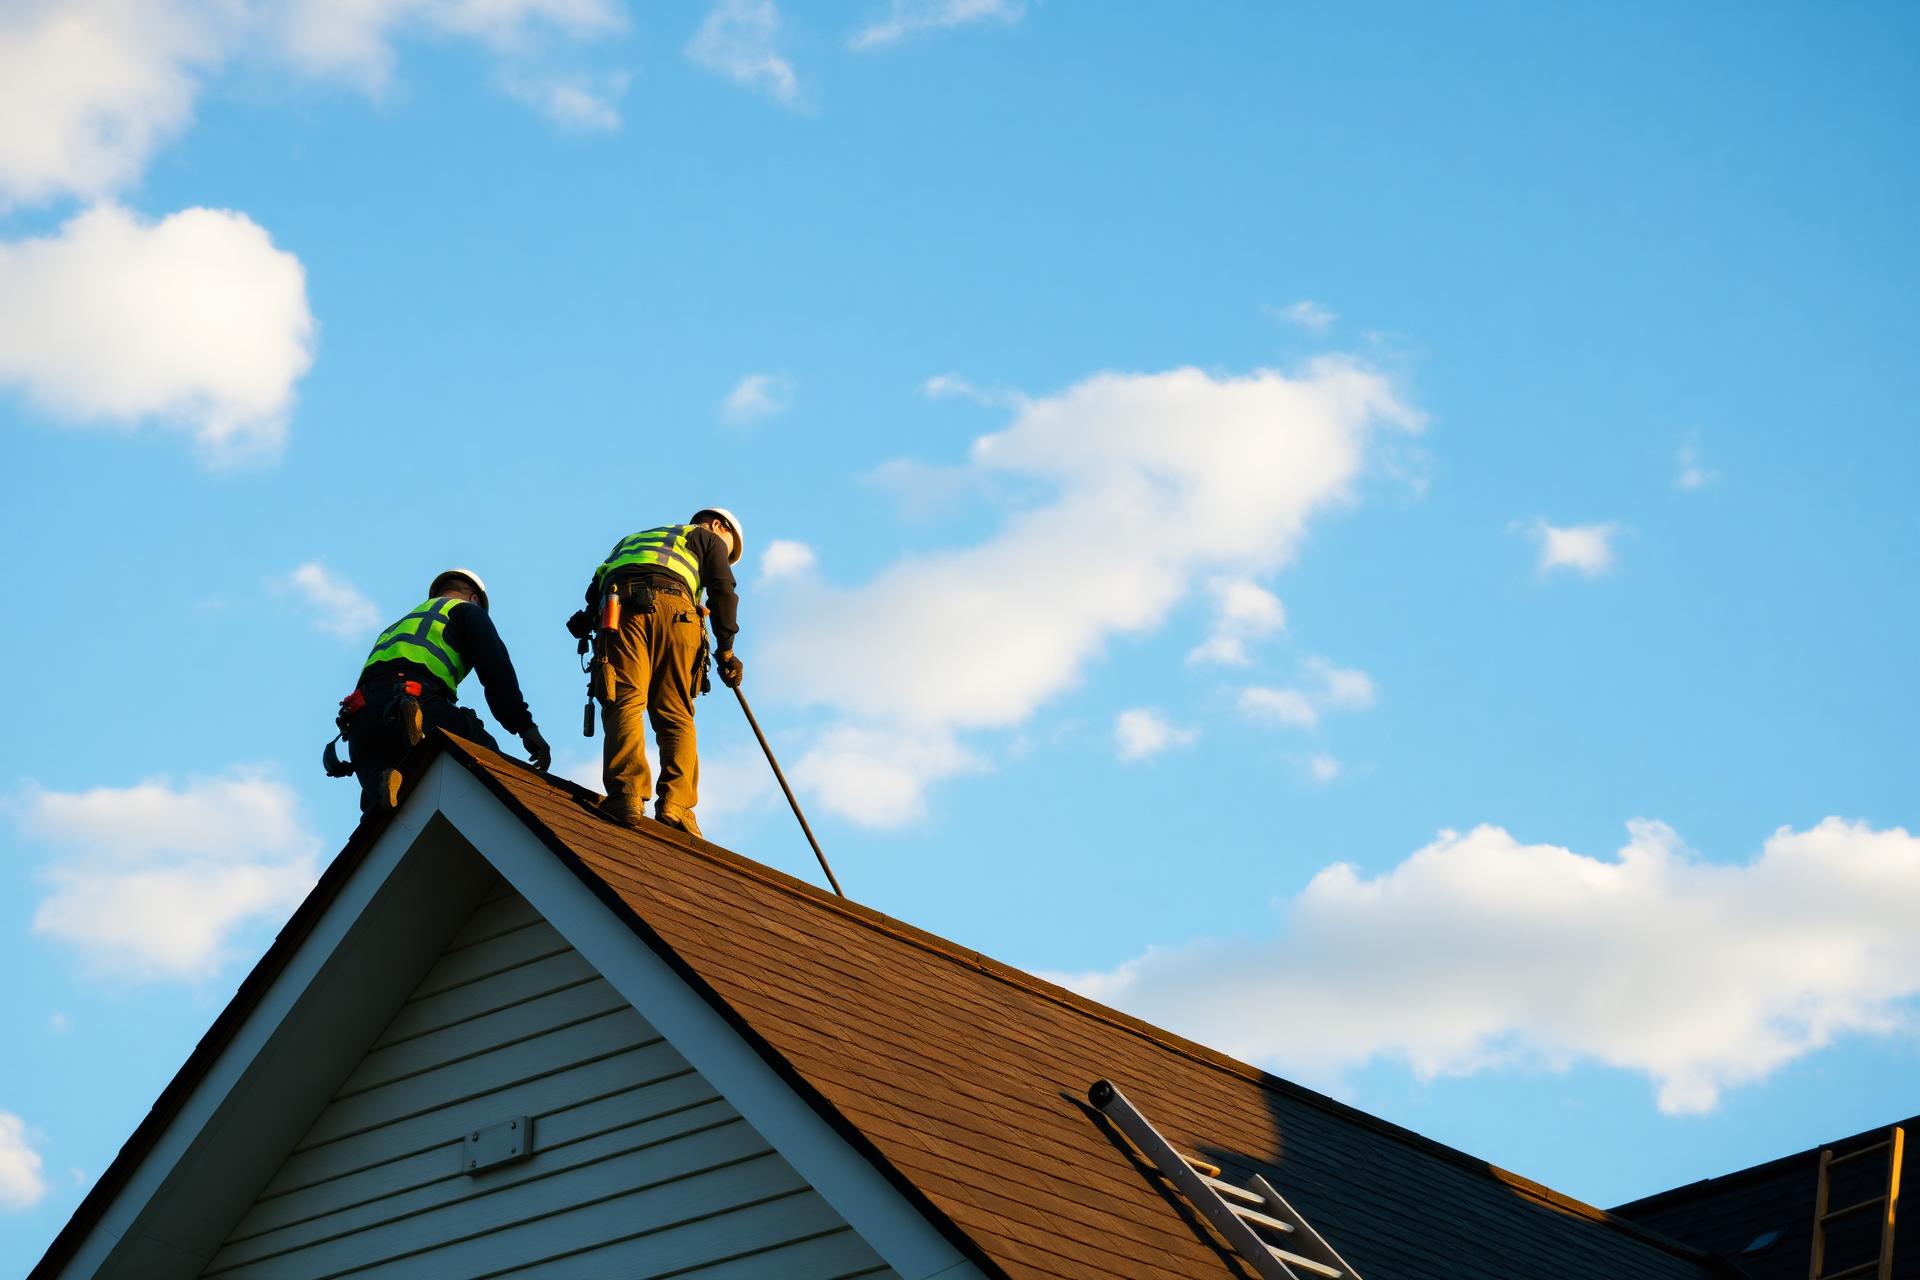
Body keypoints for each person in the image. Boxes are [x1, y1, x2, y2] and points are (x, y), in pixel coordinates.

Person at [581, 509, 744, 836]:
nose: (725, 555)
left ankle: (626, 794)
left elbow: (594, 591)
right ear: (717, 525)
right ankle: (677, 806)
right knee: (676, 714)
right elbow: (723, 589)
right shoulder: (706, 537)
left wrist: (586, 620)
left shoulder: (631, 541)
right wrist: (726, 648)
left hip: (620, 611)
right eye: (729, 549)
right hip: (676, 614)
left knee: (624, 701)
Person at [340, 568, 551, 813]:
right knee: (486, 759)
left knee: (381, 810)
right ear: (474, 598)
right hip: (415, 696)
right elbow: (495, 668)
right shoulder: (467, 611)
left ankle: (382, 785)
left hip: (361, 720)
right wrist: (524, 725)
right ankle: (413, 723)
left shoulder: (395, 627)